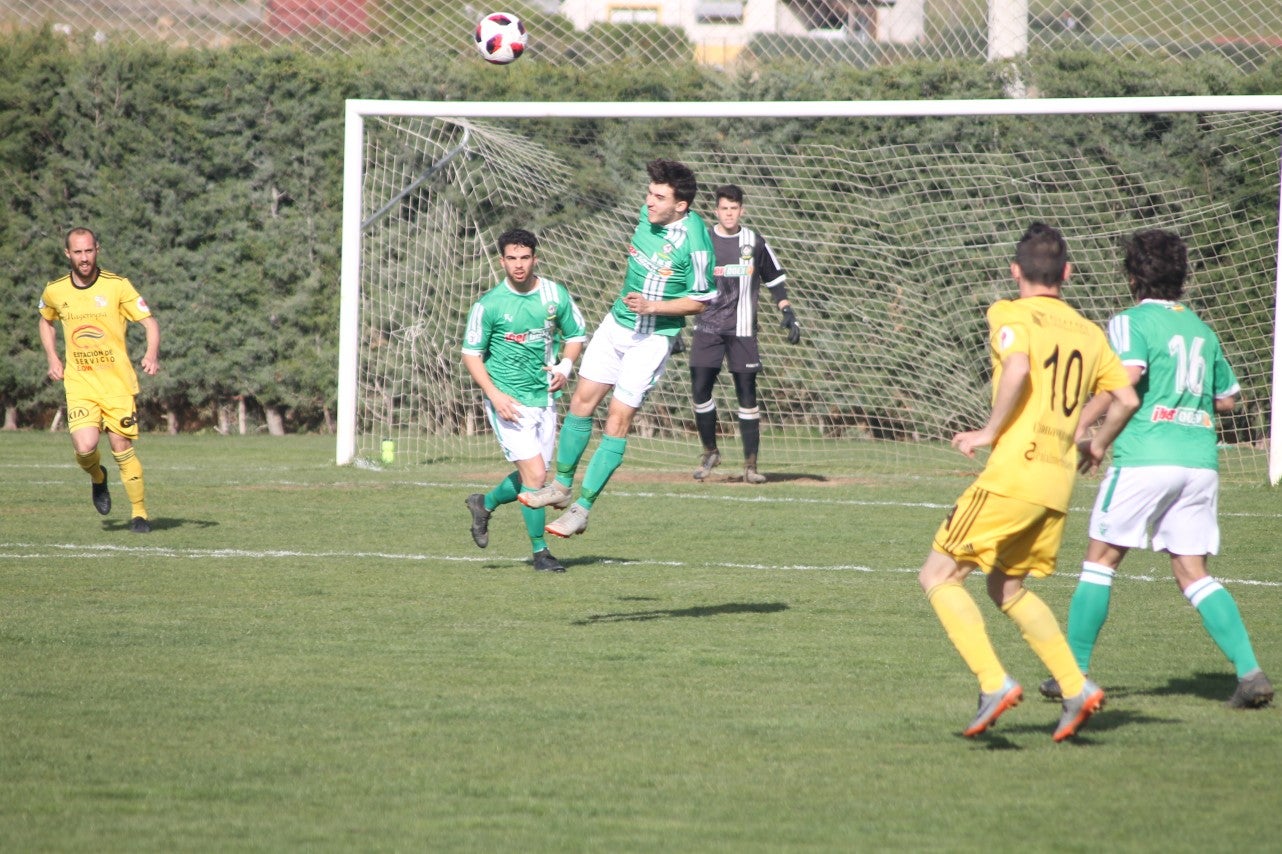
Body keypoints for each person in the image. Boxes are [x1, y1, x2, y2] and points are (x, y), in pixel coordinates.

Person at [917, 222, 1139, 741]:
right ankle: (1074, 686)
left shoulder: (1008, 312)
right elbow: (1126, 398)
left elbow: (1016, 366)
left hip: (1013, 474)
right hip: (1057, 483)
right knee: (1006, 584)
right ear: (1067, 273)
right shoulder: (1090, 332)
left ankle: (994, 683)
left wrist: (988, 431)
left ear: (1015, 271)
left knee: (938, 576)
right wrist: (1097, 442)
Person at [1038, 229, 1273, 709]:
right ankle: (1250, 673)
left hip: (1146, 457)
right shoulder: (1201, 330)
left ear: (1131, 277)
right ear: (1182, 278)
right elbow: (1228, 400)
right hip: (1199, 462)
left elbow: (1126, 379)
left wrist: (1096, 438)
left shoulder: (1129, 321)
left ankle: (1073, 674)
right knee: (1192, 571)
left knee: (1100, 561)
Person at [518, 159, 716, 537]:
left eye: (659, 197)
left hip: (654, 338)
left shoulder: (696, 244)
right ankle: (560, 487)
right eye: (649, 194)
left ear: (682, 206)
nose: (649, 202)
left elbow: (702, 301)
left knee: (617, 419)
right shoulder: (647, 215)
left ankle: (582, 508)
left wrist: (654, 306)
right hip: (617, 324)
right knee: (580, 403)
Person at [462, 229, 587, 572]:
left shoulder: (554, 295)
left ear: (535, 258)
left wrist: (565, 365)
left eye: (525, 258)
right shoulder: (488, 305)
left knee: (537, 476)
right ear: (501, 261)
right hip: (507, 400)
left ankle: (484, 503)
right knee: (535, 477)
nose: (519, 265)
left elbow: (575, 334)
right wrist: (494, 394)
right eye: (511, 258)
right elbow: (471, 354)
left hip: (544, 398)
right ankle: (541, 553)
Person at [38, 227, 160, 533]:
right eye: (77, 252)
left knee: (122, 447)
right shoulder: (55, 290)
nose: (84, 258)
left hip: (117, 385)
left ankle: (139, 514)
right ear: (67, 254)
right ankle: (98, 477)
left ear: (97, 250)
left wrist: (151, 353)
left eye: (89, 251)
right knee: (85, 448)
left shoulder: (117, 286)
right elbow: (45, 321)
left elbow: (150, 322)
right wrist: (53, 358)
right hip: (80, 385)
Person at [688, 184, 800, 484]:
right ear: (716, 211)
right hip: (707, 326)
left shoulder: (754, 241)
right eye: (724, 208)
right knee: (700, 392)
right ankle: (710, 451)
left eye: (734, 208)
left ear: (742, 211)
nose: (729, 213)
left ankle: (750, 465)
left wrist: (787, 311)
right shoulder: (703, 240)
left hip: (743, 331)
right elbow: (684, 281)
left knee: (747, 395)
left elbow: (774, 278)